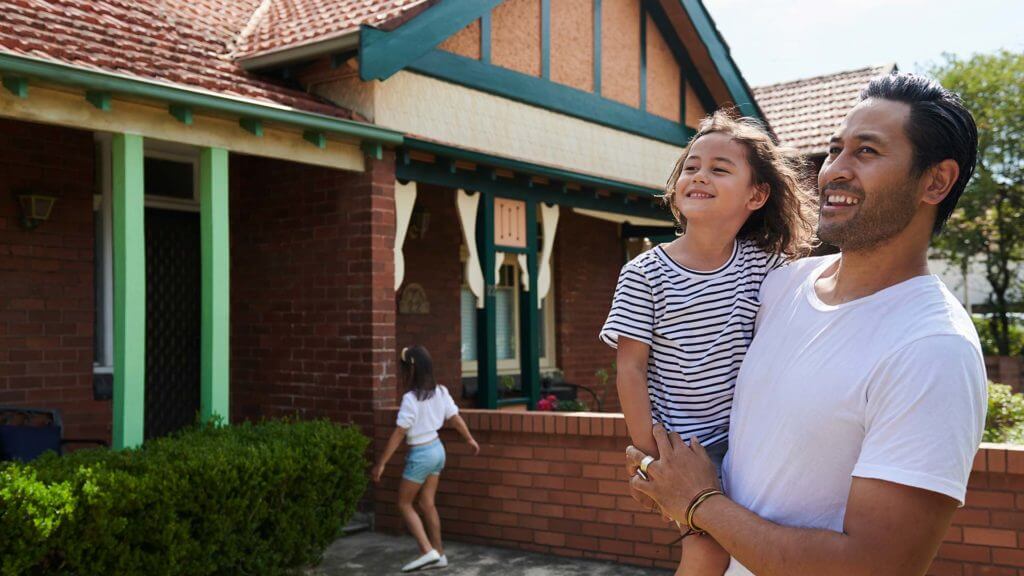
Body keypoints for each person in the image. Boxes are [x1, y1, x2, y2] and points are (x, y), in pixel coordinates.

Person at [626, 72, 986, 576]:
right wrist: (663, 465)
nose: (834, 170)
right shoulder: (778, 286)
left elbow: (875, 567)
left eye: (866, 152)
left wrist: (697, 501)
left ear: (936, 181)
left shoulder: (932, 348)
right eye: (836, 149)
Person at [600, 110, 817, 574]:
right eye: (691, 166)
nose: (699, 175)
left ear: (756, 195)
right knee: (708, 552)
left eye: (720, 169)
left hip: (751, 443)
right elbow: (630, 369)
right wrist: (650, 458)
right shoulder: (644, 274)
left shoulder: (766, 268)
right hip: (683, 450)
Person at [372, 345, 481, 572]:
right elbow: (455, 418)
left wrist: (381, 463)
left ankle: (426, 550)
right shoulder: (441, 391)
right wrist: (469, 439)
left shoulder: (410, 399)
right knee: (427, 503)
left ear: (411, 369)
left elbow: (399, 432)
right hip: (437, 450)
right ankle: (439, 553)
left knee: (404, 503)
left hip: (421, 454)